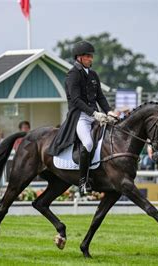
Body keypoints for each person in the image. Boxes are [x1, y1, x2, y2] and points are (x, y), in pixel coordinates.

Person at [47, 40, 115, 194]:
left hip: (94, 115)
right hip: (80, 117)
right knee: (89, 143)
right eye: (88, 56)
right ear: (79, 57)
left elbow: (100, 96)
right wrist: (94, 113)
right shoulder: (73, 75)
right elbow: (76, 100)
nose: (91, 59)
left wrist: (109, 111)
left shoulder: (93, 74)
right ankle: (83, 182)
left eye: (91, 56)